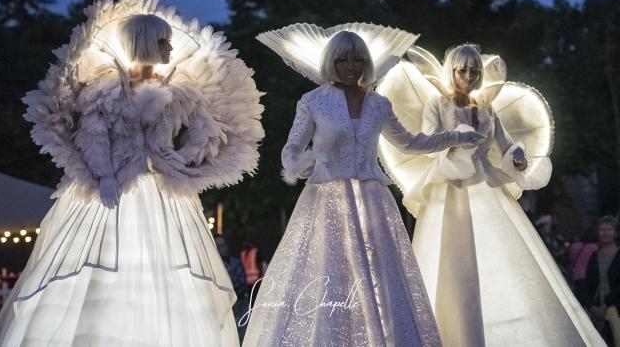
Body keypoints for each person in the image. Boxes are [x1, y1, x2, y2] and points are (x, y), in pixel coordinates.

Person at [0, 0, 264, 346]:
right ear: (144, 43)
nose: (169, 50)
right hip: (111, 189)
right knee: (100, 267)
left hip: (162, 192)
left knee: (162, 270)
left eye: (169, 42)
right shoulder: (106, 89)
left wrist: (185, 159)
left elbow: (205, 128)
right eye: (163, 42)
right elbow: (93, 135)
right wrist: (104, 176)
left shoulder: (177, 91)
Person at [242, 30, 484, 346]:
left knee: (381, 278)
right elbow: (290, 149)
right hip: (325, 201)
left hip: (373, 201)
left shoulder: (378, 104)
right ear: (331, 61)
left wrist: (455, 136)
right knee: (330, 274)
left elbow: (410, 142)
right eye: (342, 59)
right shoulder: (313, 102)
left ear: (366, 62)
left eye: (357, 58)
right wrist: (303, 165)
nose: (350, 65)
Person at [383, 43, 604, 346]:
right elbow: (429, 140)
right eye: (463, 70)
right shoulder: (438, 103)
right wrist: (455, 141)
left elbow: (506, 142)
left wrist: (517, 156)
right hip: (451, 189)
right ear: (452, 71)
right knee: (451, 260)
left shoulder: (486, 108)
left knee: (502, 261)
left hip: (486, 186)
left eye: (474, 70)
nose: (469, 75)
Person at [584, 216, 620, 346]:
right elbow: (588, 283)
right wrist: (592, 306)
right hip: (597, 311)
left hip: (616, 308)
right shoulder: (594, 256)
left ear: (615, 233)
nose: (605, 233)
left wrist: (606, 304)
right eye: (602, 229)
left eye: (609, 229)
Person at [571, 227, 598, 304]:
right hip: (587, 276)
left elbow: (572, 260)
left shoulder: (574, 246)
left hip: (576, 276)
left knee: (578, 299)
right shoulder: (594, 247)